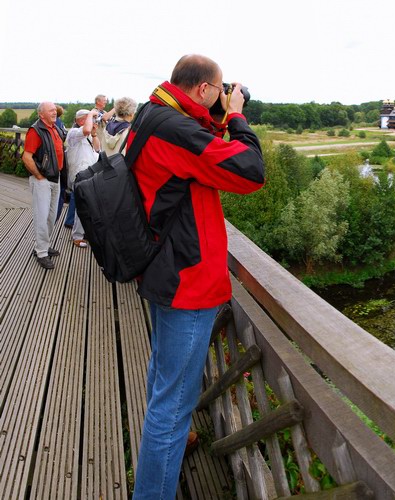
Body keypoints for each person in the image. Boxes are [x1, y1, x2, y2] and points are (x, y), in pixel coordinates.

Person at [131, 55, 267, 499]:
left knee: (163, 379)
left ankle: (163, 457)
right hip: (187, 282)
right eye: (219, 89)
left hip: (164, 269)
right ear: (206, 90)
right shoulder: (175, 129)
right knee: (171, 408)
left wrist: (216, 113)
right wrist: (238, 115)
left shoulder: (155, 113)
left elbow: (198, 151)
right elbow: (249, 171)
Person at [21, 102, 65, 270]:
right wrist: (39, 176)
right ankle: (41, 253)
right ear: (41, 115)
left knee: (51, 216)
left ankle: (43, 246)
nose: (55, 112)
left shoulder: (54, 127)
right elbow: (26, 157)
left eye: (55, 110)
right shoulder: (36, 130)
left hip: (55, 177)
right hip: (43, 180)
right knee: (42, 216)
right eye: (51, 110)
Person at [61, 109, 103, 249]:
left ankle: (84, 233)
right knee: (81, 206)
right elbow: (84, 131)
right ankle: (77, 236)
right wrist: (91, 114)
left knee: (88, 205)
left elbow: (97, 149)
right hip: (79, 175)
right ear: (80, 121)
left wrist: (95, 133)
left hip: (90, 175)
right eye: (89, 119)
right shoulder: (73, 133)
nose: (93, 122)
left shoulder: (89, 134)